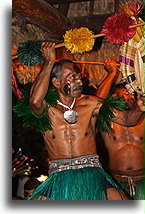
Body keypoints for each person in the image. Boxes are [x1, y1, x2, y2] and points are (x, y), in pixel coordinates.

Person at [28, 42, 143, 200]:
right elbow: (34, 101)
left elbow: (126, 119)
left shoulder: (91, 104)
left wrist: (138, 108)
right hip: (60, 177)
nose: (79, 82)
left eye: (79, 77)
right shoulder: (48, 109)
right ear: (56, 83)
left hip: (93, 173)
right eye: (72, 78)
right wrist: (48, 63)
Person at [97, 84, 144, 200]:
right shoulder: (105, 120)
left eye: (132, 93)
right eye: (126, 93)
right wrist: (111, 74)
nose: (131, 96)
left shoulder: (142, 117)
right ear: (114, 97)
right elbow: (97, 102)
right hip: (117, 182)